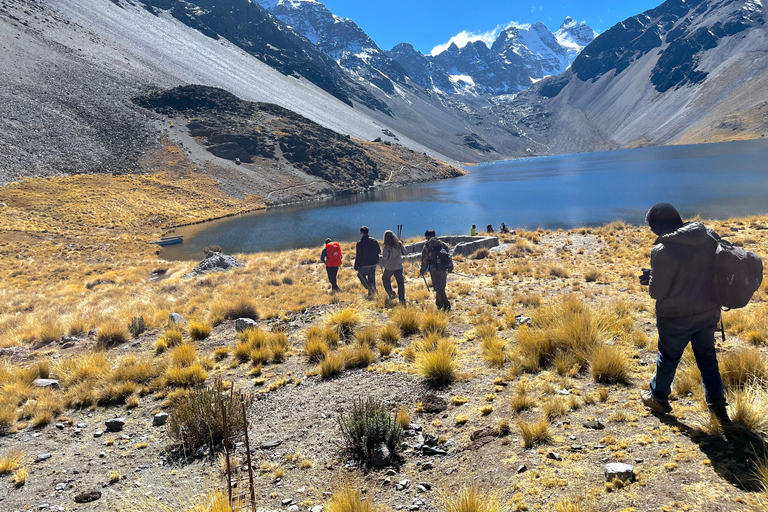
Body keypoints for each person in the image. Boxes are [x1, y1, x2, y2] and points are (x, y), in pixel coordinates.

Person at [639, 203, 730, 425]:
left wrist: (652, 277)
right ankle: (717, 405)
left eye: (653, 228)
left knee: (668, 358)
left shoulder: (663, 249)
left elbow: (657, 291)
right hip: (708, 311)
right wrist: (657, 273)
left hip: (676, 317)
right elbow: (698, 269)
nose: (653, 233)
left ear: (660, 226)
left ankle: (659, 397)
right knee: (707, 358)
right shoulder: (707, 236)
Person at [420, 229, 451, 311]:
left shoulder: (428, 246)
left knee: (438, 288)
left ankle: (446, 304)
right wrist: (450, 266)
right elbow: (449, 256)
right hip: (443, 268)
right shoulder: (442, 244)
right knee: (442, 286)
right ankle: (439, 303)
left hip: (434, 269)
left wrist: (422, 270)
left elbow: (424, 259)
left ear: (428, 236)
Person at [354, 226, 381, 298]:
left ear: (362, 233)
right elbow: (379, 251)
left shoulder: (360, 243)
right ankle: (371, 294)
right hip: (374, 262)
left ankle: (371, 289)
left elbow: (358, 255)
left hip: (364, 264)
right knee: (371, 277)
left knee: (360, 275)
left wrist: (356, 265)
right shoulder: (374, 241)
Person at [381, 230, 406, 304]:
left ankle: (391, 293)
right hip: (399, 266)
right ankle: (402, 298)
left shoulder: (387, 247)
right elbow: (405, 252)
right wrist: (402, 244)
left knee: (385, 278)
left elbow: (385, 257)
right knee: (400, 282)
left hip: (390, 267)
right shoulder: (399, 244)